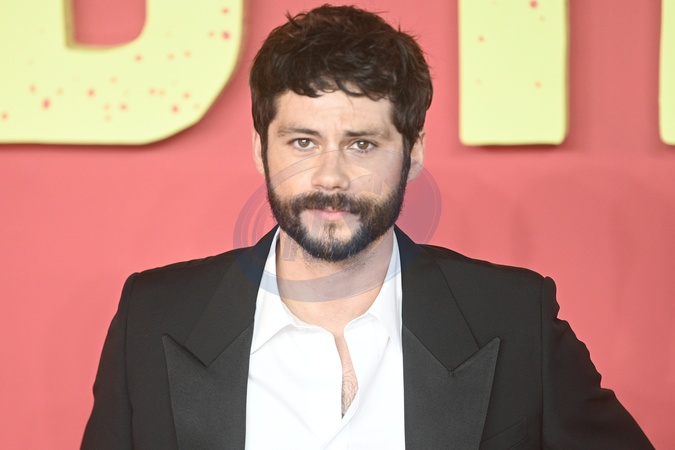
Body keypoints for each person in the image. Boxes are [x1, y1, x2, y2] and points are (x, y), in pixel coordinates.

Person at [82, 5, 653, 449]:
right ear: (260, 149)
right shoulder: (154, 317)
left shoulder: (513, 316)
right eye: (302, 142)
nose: (330, 177)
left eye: (362, 144)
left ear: (413, 151)